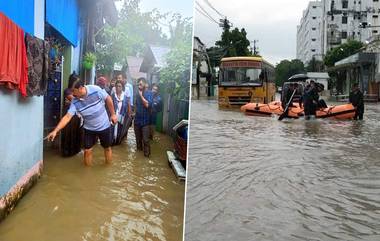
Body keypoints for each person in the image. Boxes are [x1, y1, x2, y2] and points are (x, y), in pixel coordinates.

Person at [46, 79, 118, 166]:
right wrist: (55, 131)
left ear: (80, 88)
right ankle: (88, 174)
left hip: (104, 126)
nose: (72, 94)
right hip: (89, 129)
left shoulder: (95, 89)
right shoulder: (75, 101)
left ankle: (108, 168)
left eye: (73, 91)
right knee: (87, 151)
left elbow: (108, 98)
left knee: (107, 148)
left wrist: (113, 114)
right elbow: (68, 117)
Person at [61, 73, 82, 157]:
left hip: (76, 115)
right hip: (69, 115)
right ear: (72, 82)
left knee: (76, 132)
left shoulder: (75, 91)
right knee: (69, 133)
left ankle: (75, 151)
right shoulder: (67, 91)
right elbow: (75, 100)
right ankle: (67, 153)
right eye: (76, 81)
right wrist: (79, 98)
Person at [134, 77, 153, 157]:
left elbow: (147, 105)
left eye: (141, 84)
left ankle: (146, 157)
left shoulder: (149, 93)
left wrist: (141, 96)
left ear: (145, 84)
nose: (139, 85)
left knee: (145, 140)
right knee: (138, 141)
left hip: (145, 122)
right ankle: (138, 158)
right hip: (137, 121)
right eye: (138, 84)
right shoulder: (136, 93)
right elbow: (136, 105)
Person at [111, 80, 131, 145]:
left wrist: (129, 116)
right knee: (112, 131)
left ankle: (118, 142)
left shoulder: (125, 97)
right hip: (113, 117)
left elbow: (128, 107)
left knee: (120, 131)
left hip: (122, 117)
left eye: (119, 86)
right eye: (116, 86)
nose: (118, 88)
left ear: (122, 87)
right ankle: (112, 142)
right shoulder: (112, 96)